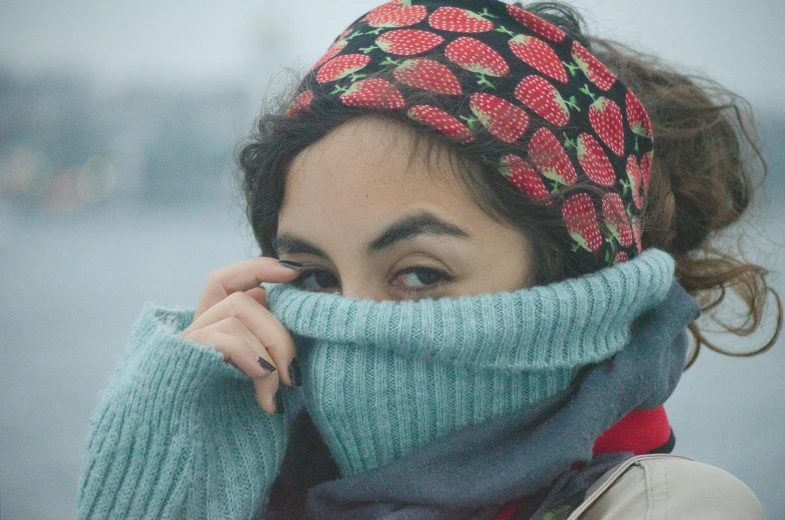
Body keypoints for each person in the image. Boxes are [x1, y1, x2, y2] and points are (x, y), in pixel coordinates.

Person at [76, 1, 782, 518]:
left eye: (419, 274)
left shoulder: (669, 508)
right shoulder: (261, 486)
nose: (349, 326)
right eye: (316, 279)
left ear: (575, 285)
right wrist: (165, 478)